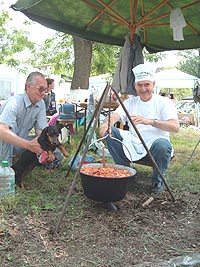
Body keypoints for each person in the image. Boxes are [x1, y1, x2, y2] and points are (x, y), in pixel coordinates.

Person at [100, 63, 180, 193]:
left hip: (155, 149)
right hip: (133, 145)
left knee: (163, 145)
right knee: (111, 133)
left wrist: (150, 121)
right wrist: (106, 123)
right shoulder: (130, 103)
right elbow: (115, 115)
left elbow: (175, 126)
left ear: (153, 84)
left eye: (147, 85)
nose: (143, 89)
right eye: (140, 85)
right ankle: (126, 174)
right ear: (135, 86)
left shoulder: (164, 103)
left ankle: (157, 181)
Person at [0, 71, 62, 187]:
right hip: (4, 142)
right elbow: (2, 131)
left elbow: (42, 132)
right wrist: (29, 145)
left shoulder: (41, 104)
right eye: (41, 89)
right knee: (6, 137)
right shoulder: (14, 102)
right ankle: (6, 172)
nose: (44, 93)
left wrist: (47, 149)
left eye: (45, 90)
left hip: (20, 143)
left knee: (57, 154)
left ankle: (19, 169)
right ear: (28, 86)